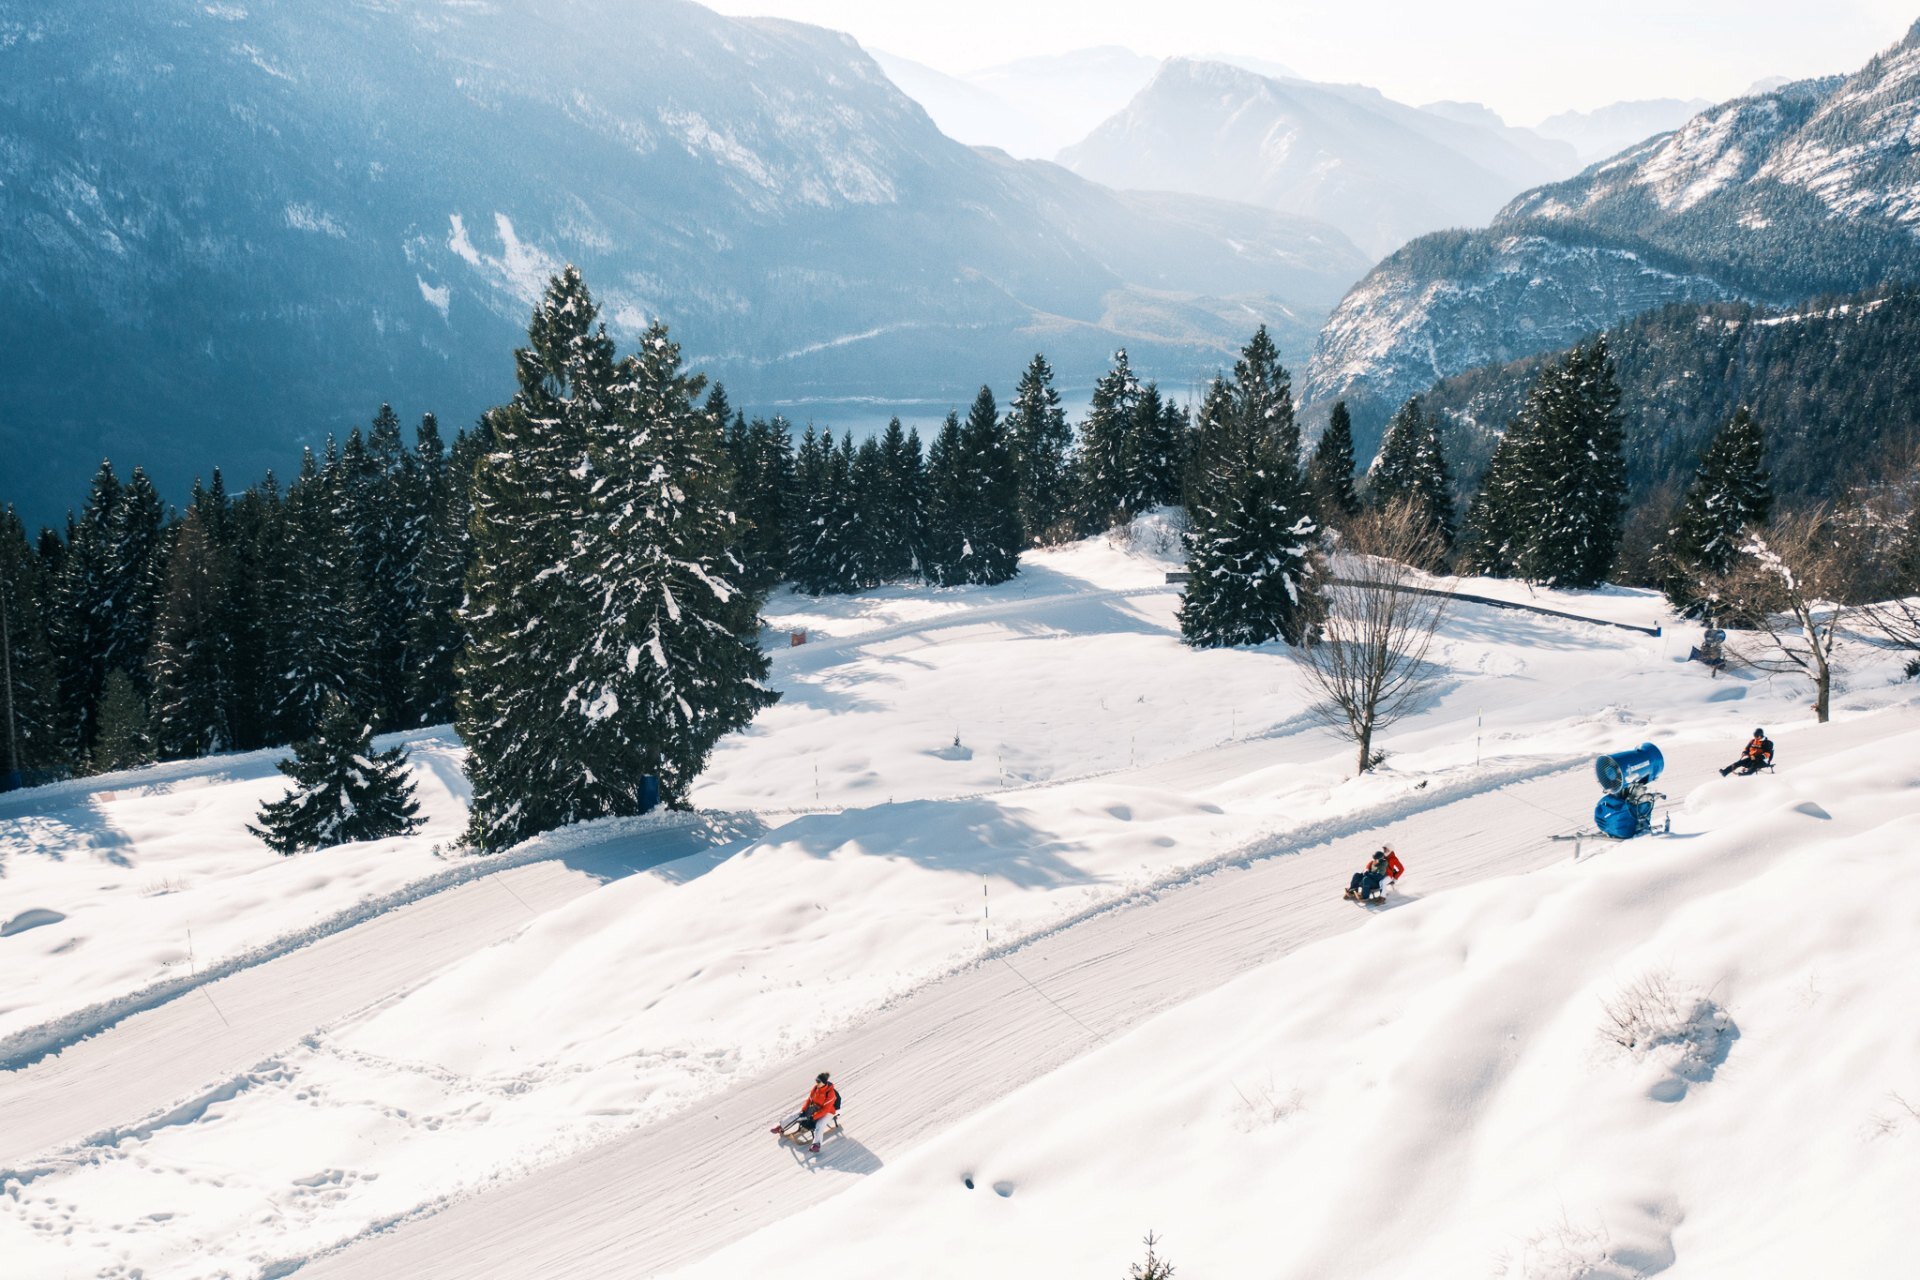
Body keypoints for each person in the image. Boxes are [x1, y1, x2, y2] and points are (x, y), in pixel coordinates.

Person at [771, 1071, 841, 1152]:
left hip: (828, 1112)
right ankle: (781, 1126)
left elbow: (825, 1110)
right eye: (816, 1081)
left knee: (820, 1124)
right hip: (815, 1108)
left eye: (818, 1081)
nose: (816, 1083)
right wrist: (803, 1110)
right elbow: (809, 1100)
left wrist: (813, 1117)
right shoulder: (816, 1088)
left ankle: (816, 1145)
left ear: (824, 1083)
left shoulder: (830, 1093)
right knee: (797, 1115)